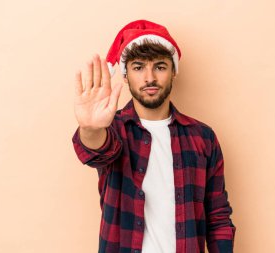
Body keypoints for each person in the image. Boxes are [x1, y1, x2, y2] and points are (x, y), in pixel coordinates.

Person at [72, 19, 236, 253]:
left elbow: (218, 217)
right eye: (138, 67)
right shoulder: (113, 129)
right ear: (126, 75)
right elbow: (95, 151)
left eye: (160, 66)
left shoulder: (202, 137)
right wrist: (90, 128)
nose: (150, 78)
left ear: (173, 73)